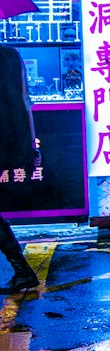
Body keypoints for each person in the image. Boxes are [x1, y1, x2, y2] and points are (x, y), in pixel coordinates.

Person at [0, 44, 40, 292]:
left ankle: (22, 269)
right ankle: (22, 269)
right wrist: (32, 146)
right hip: (11, 141)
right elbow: (27, 102)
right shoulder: (11, 54)